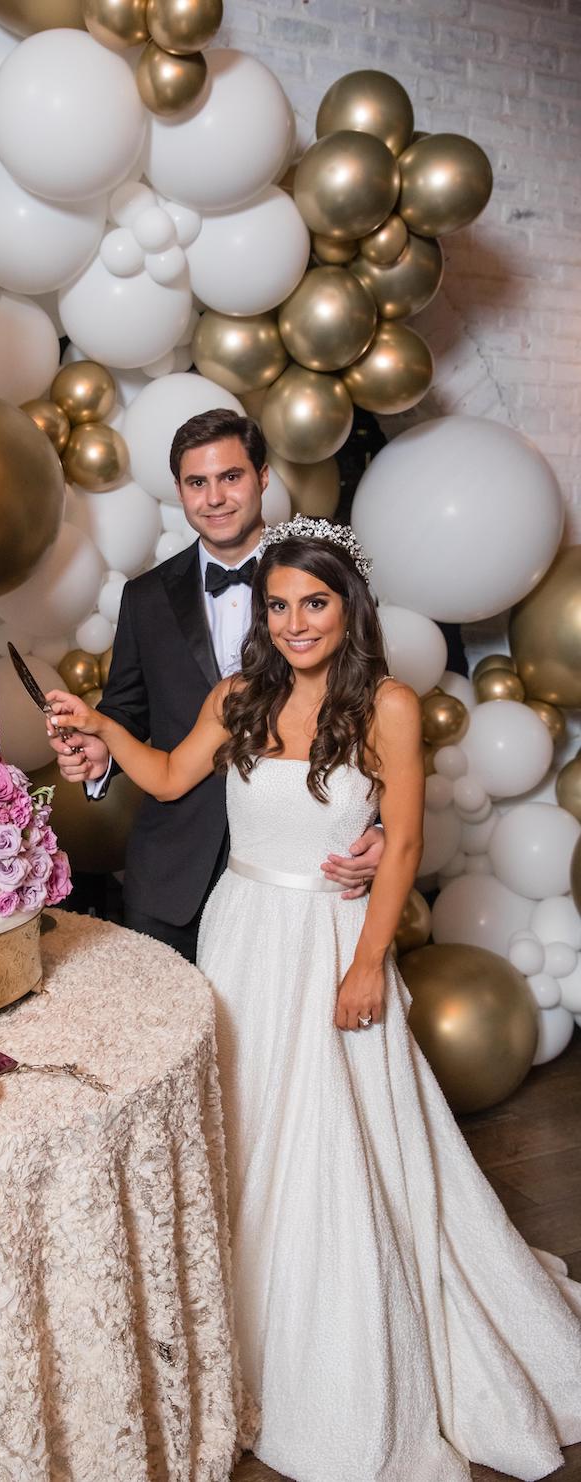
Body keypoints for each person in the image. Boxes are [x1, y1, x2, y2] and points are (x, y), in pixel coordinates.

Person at [45, 520, 581, 1482]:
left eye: (315, 603)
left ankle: (334, 1357)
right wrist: (99, 726)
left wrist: (370, 961)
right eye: (279, 603)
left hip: (332, 940)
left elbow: (406, 844)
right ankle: (232, 1336)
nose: (295, 622)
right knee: (244, 1128)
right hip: (241, 932)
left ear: (349, 609)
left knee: (337, 1136)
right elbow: (168, 776)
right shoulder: (237, 695)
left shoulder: (387, 705)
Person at [49, 408, 384, 963]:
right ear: (180, 491)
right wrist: (99, 751)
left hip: (297, 867)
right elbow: (125, 711)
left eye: (231, 476)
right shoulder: (146, 597)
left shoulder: (320, 584)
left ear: (263, 477)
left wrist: (384, 831)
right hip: (172, 871)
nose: (215, 497)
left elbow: (370, 711)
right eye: (196, 483)